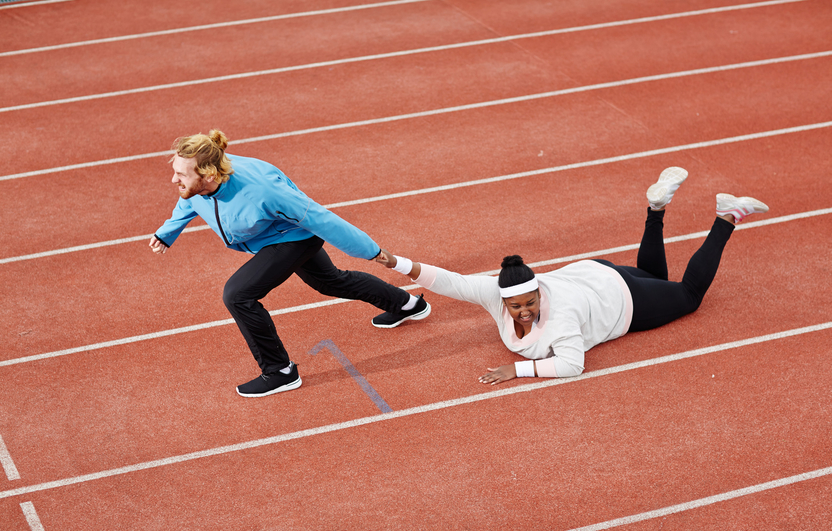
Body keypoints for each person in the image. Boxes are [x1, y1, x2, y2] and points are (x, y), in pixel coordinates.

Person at [374, 167, 769, 385]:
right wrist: (398, 264)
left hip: (619, 300)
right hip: (596, 273)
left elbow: (572, 365)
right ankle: (656, 206)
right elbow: (449, 281)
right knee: (653, 273)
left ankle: (727, 215)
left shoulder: (558, 318)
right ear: (503, 298)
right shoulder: (496, 291)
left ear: (538, 295)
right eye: (517, 306)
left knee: (687, 295)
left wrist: (519, 369)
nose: (525, 311)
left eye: (531, 303)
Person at [150, 130, 430, 397]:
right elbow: (190, 198)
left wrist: (372, 251)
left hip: (295, 238)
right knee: (330, 281)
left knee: (238, 295)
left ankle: (280, 372)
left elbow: (322, 219)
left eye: (180, 174)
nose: (174, 180)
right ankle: (406, 305)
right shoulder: (201, 181)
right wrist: (168, 231)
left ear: (209, 174)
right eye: (175, 171)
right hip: (271, 237)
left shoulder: (263, 192)